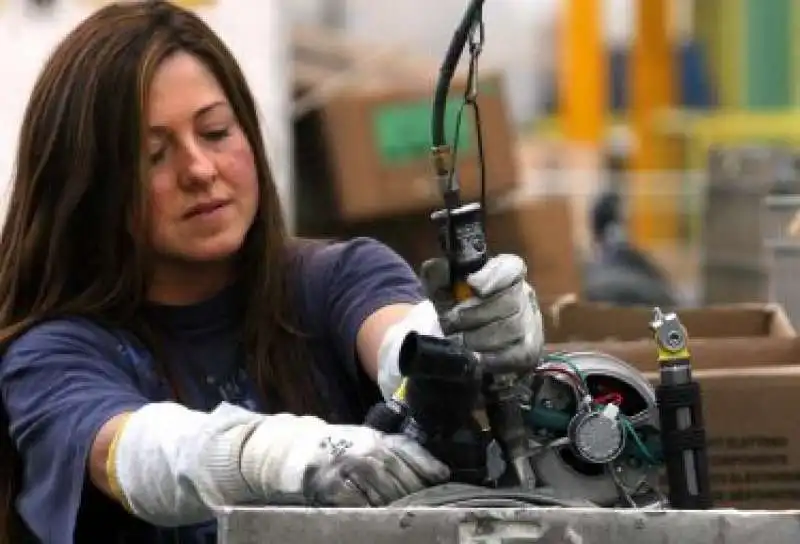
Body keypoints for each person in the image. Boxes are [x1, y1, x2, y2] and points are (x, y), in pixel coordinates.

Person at [0, 2, 544, 543]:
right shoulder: (50, 357)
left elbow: (400, 344)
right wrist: (277, 458)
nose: (199, 169)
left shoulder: (337, 276)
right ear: (90, 187)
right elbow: (135, 455)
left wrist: (469, 337)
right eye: (153, 154)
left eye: (215, 132)